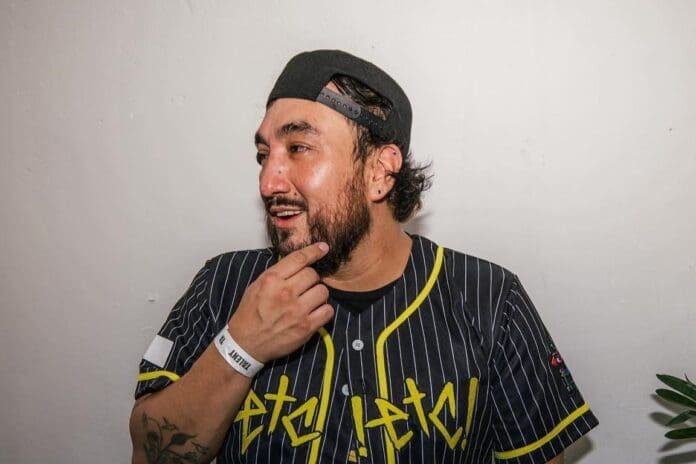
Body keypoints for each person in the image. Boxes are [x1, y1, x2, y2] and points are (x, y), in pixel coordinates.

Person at [129, 49, 598, 464]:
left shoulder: (491, 299)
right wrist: (240, 346)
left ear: (380, 171)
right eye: (263, 154)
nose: (269, 182)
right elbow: (148, 455)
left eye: (299, 148)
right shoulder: (225, 284)